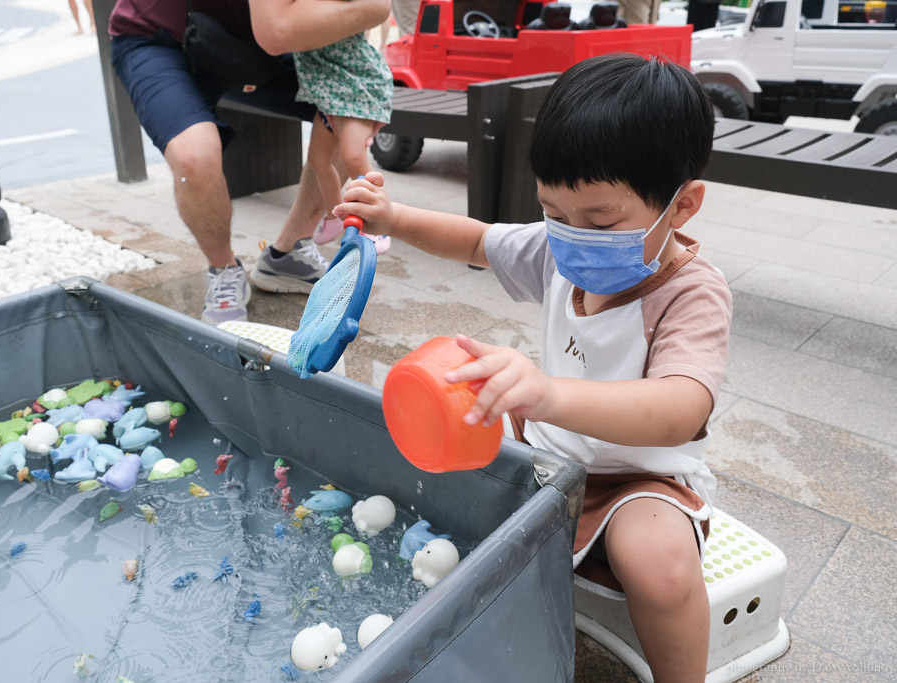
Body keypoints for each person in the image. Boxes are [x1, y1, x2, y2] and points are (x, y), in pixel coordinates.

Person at [338, 54, 731, 682]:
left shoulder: (690, 295)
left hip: (636, 477)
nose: (573, 235)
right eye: (553, 211)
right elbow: (473, 241)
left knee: (658, 562)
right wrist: (395, 220)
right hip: (549, 452)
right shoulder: (560, 249)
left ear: (682, 207)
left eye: (601, 219)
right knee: (443, 463)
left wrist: (547, 392)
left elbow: (680, 408)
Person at [108, 0, 390, 324]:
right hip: (158, 36)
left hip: (252, 43)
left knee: (350, 112)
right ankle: (224, 269)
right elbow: (277, 31)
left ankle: (288, 254)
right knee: (194, 155)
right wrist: (377, 7)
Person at [296, 10, 394, 253]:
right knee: (318, 161)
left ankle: (380, 223)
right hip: (328, 92)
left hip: (356, 88)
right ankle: (334, 218)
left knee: (353, 157)